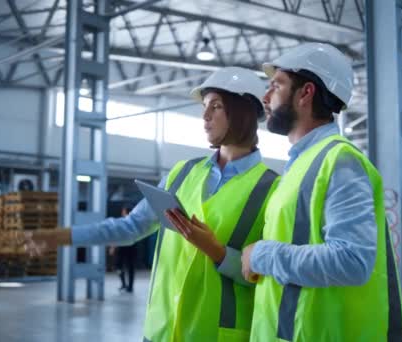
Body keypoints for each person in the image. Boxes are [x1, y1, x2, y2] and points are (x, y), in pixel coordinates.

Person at [19, 66, 279, 341]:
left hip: (217, 333)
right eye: (204, 106)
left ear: (244, 113)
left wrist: (217, 252)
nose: (204, 116)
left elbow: (267, 274)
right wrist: (60, 236)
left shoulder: (272, 189)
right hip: (162, 328)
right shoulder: (181, 174)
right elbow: (131, 227)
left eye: (215, 106)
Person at [240, 43, 402, 341]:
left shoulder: (340, 161)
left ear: (306, 93)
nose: (265, 97)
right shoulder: (300, 164)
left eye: (276, 85)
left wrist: (262, 254)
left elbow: (352, 262)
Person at [116, 206, 136, 293]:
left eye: (123, 211)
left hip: (129, 247)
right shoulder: (123, 221)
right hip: (123, 247)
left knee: (130, 267)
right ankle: (124, 284)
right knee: (119, 266)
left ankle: (129, 286)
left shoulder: (131, 222)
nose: (122, 213)